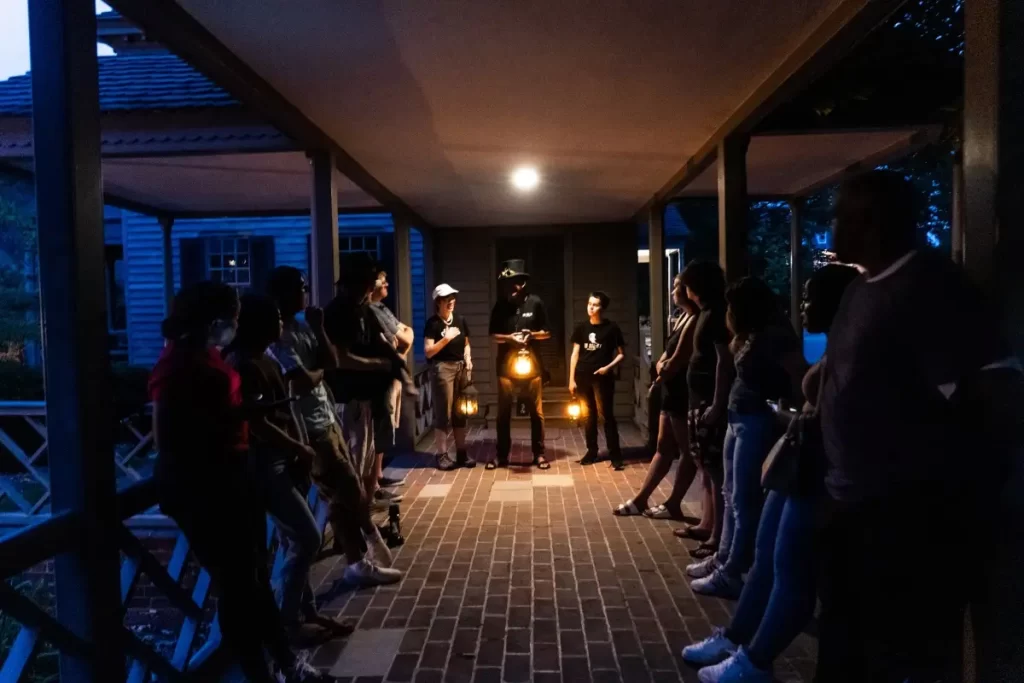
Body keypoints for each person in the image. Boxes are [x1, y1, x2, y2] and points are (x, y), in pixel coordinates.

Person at [815, 171, 1015, 683]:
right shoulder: (862, 287)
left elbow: (991, 396)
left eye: (841, 215)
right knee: (843, 650)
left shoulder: (929, 288)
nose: (831, 226)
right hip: (851, 503)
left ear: (873, 223)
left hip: (900, 518)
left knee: (896, 654)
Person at [682, 264, 858, 683]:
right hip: (798, 458)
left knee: (789, 568)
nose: (802, 303)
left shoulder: (821, 345)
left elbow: (803, 389)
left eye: (813, 297)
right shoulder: (835, 347)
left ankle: (755, 661)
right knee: (765, 552)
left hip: (816, 470)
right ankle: (738, 638)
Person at [149, 282, 333, 683]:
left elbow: (218, 408)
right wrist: (237, 417)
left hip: (234, 476)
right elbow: (169, 437)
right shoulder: (178, 363)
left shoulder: (206, 354)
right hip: (206, 488)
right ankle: (261, 671)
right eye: (232, 317)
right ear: (212, 319)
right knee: (238, 588)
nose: (235, 324)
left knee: (253, 579)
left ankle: (284, 664)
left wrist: (242, 412)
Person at [225, 293, 354, 643]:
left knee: (292, 539)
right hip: (266, 464)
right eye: (276, 317)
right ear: (261, 323)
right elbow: (259, 422)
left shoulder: (264, 358)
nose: (282, 322)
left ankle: (305, 610)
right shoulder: (243, 364)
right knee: (307, 536)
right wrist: (297, 445)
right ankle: (288, 624)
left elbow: (286, 406)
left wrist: (300, 448)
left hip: (289, 458)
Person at [267, 266, 400, 585]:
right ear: (283, 293)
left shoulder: (304, 325)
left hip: (326, 414)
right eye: (301, 287)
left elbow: (330, 361)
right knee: (347, 488)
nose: (306, 292)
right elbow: (298, 383)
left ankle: (358, 564)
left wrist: (318, 329)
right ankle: (369, 539)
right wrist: (316, 374)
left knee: (340, 494)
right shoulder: (276, 335)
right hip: (306, 426)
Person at [688, 276, 805, 599]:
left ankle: (734, 571)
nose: (728, 310)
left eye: (733, 305)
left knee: (744, 498)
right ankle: (724, 559)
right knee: (730, 491)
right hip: (738, 415)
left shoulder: (775, 337)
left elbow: (798, 376)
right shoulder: (748, 335)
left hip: (756, 419)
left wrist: (798, 415)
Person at [323, 253, 410, 514]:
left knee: (364, 461)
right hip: (347, 400)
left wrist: (396, 364)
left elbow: (381, 342)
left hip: (365, 400)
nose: (370, 288)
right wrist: (379, 366)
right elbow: (340, 357)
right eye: (366, 283)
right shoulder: (339, 311)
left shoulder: (362, 309)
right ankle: (347, 523)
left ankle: (360, 512)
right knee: (351, 466)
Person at [612, 276, 703, 518]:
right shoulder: (682, 317)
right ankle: (641, 499)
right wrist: (661, 372)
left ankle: (673, 503)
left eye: (676, 286)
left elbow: (677, 359)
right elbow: (666, 355)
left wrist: (664, 367)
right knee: (662, 447)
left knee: (686, 451)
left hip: (683, 393)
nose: (672, 290)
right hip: (670, 390)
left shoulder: (695, 320)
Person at [678, 261, 732, 561]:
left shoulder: (715, 316)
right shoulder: (704, 314)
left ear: (695, 286)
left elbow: (724, 361)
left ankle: (717, 536)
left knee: (714, 469)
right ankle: (707, 522)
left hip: (708, 403)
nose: (685, 290)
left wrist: (717, 403)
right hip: (697, 400)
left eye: (687, 284)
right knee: (705, 465)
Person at [488, 258, 552, 469]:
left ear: (523, 283)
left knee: (537, 411)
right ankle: (502, 455)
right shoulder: (500, 305)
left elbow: (547, 332)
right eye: (506, 282)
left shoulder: (535, 303)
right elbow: (493, 335)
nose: (510, 287)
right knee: (504, 411)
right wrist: (509, 338)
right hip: (506, 367)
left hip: (532, 366)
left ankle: (539, 454)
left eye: (514, 282)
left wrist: (531, 335)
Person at [569, 291, 626, 469]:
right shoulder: (581, 328)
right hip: (583, 375)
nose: (590, 307)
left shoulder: (611, 328)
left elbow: (622, 354)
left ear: (602, 308)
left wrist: (607, 368)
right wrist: (571, 379)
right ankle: (591, 451)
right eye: (589, 303)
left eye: (595, 304)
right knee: (588, 415)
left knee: (607, 415)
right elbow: (575, 354)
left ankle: (615, 455)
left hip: (602, 377)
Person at [367, 270, 412, 496]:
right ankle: (373, 483)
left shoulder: (383, 308)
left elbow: (408, 333)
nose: (386, 283)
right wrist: (399, 351)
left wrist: (400, 353)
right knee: (379, 426)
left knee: (387, 423)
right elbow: (402, 336)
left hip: (390, 373)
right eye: (381, 280)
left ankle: (379, 475)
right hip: (378, 377)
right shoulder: (371, 311)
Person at [424, 283, 476, 470]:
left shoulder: (460, 320)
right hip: (442, 368)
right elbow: (429, 352)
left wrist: (468, 359)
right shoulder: (433, 323)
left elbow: (466, 343)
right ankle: (442, 455)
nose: (451, 301)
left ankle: (462, 453)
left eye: (453, 297)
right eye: (447, 299)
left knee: (460, 411)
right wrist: (446, 338)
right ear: (438, 302)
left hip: (461, 367)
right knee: (443, 413)